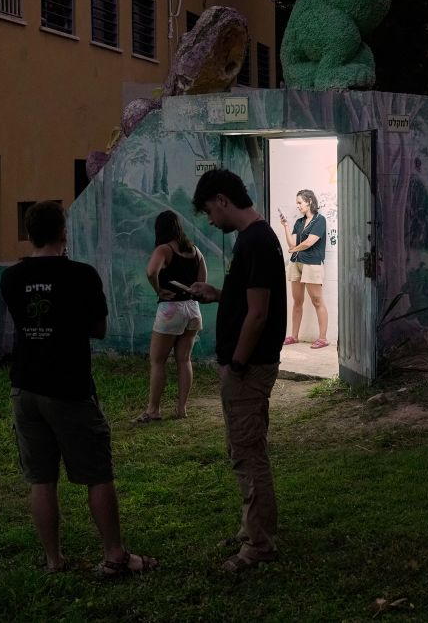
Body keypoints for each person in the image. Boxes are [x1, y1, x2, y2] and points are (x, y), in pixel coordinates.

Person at [0, 201, 157, 578]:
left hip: (25, 387)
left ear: (29, 234)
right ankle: (114, 555)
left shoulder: (11, 278)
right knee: (96, 473)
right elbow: (99, 328)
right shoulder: (81, 275)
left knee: (41, 478)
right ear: (63, 232)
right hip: (68, 387)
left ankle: (54, 560)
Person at [188, 169, 287, 573]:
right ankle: (253, 527)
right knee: (243, 449)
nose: (210, 219)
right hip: (244, 367)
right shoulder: (252, 241)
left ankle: (260, 545)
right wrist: (218, 295)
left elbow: (259, 314)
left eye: (209, 210)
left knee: (248, 453)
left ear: (223, 200)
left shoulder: (257, 241)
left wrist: (238, 364)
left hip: (248, 368)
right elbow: (250, 298)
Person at [135, 210, 206, 423]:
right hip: (192, 309)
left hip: (170, 309)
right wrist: (192, 291)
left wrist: (159, 290)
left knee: (157, 361)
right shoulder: (195, 250)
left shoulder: (163, 250)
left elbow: (150, 272)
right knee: (184, 360)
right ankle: (181, 409)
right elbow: (202, 280)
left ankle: (153, 410)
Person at [279, 189, 329, 349]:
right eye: (297, 203)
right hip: (296, 263)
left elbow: (309, 242)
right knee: (297, 301)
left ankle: (323, 338)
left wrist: (294, 249)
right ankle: (294, 336)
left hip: (312, 264)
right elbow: (292, 244)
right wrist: (286, 226)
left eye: (300, 202)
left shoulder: (320, 220)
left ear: (309, 201)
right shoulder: (299, 222)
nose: (298, 206)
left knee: (317, 300)